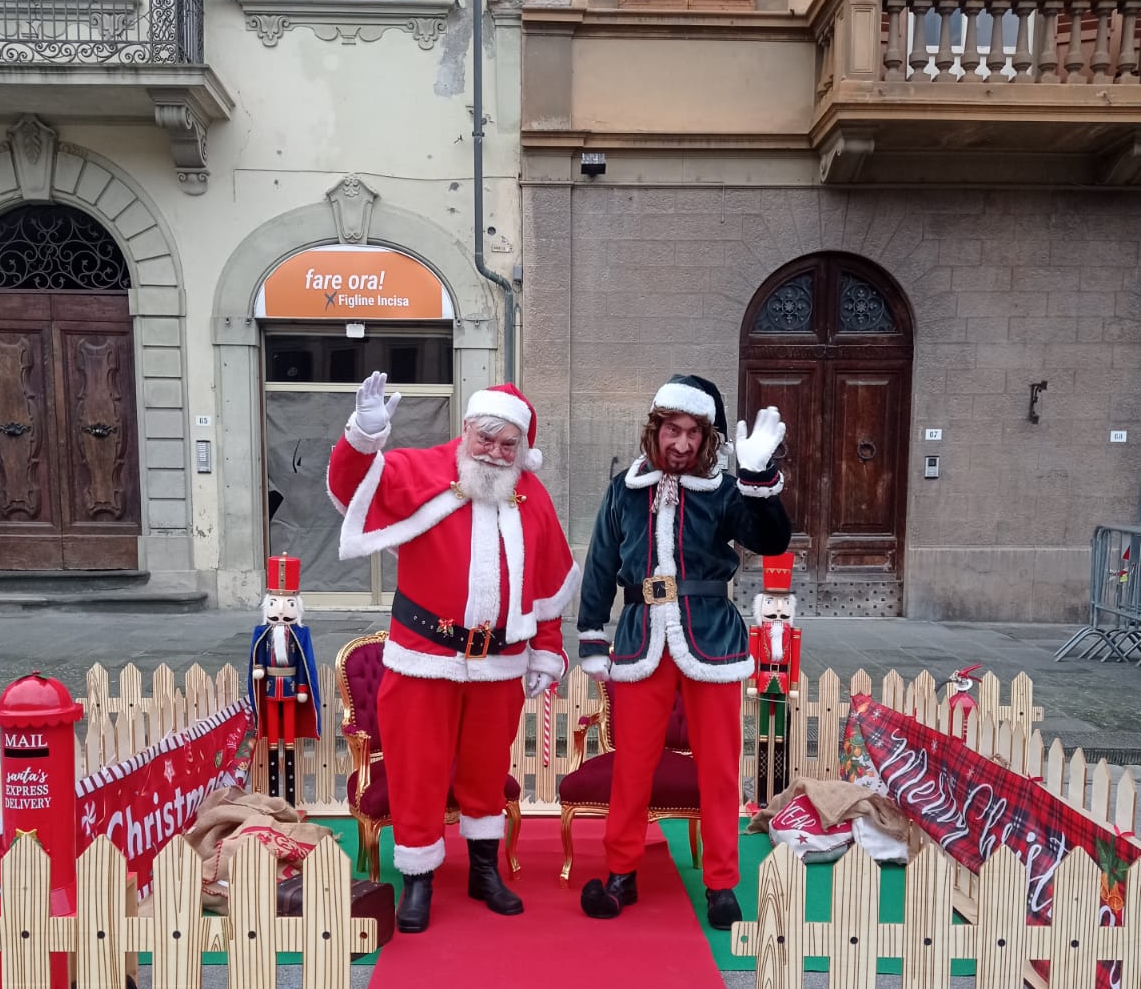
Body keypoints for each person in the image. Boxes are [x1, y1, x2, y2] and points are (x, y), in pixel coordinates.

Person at [327, 372, 579, 933]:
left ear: (523, 450)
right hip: (423, 658)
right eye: (485, 438)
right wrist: (364, 436)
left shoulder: (531, 496)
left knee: (486, 771)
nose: (493, 451)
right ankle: (417, 880)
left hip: (500, 665)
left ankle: (483, 871)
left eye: (507, 443)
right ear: (465, 430)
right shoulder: (420, 471)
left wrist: (546, 651)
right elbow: (353, 490)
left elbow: (547, 588)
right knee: (417, 771)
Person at [576, 374, 791, 929]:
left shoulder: (723, 491)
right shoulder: (624, 488)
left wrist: (758, 476)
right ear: (655, 429)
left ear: (706, 439)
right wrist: (591, 634)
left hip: (711, 639)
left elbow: (772, 541)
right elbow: (601, 563)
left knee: (719, 770)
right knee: (632, 766)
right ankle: (621, 872)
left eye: (693, 433)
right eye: (673, 430)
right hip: (642, 636)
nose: (682, 443)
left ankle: (722, 884)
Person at [248, 553, 321, 805]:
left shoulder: (299, 634)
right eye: (276, 603)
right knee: (272, 738)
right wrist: (258, 667)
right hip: (269, 687)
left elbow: (303, 663)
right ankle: (272, 801)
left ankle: (289, 801)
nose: (281, 609)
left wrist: (302, 686)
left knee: (288, 739)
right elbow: (257, 654)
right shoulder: (263, 632)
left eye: (288, 603)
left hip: (290, 689)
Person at [749, 551, 801, 805]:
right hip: (763, 678)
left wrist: (793, 686)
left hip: (781, 680)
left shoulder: (793, 632)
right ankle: (760, 795)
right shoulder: (758, 631)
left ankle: (778, 792)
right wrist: (751, 683)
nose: (779, 607)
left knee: (779, 735)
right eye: (771, 601)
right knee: (762, 736)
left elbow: (797, 659)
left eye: (783, 602)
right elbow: (753, 658)